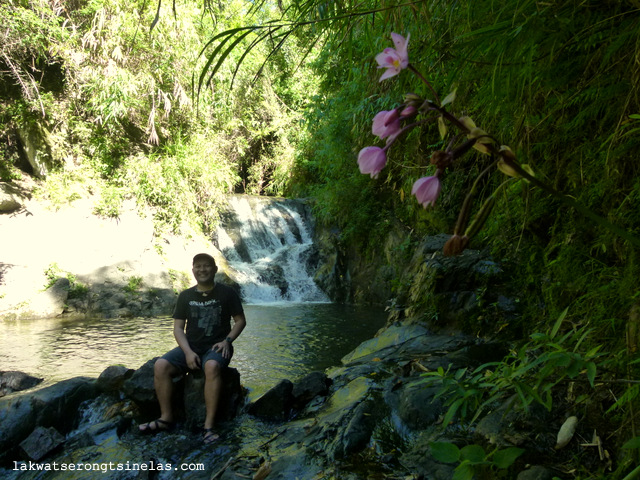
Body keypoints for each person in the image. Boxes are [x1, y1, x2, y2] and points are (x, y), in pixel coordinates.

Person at [139, 253, 246, 444]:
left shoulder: (227, 293)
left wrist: (227, 341)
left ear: (214, 269)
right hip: (192, 346)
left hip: (217, 346)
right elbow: (178, 329)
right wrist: (187, 352)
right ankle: (166, 418)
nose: (202, 270)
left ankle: (209, 426)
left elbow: (240, 321)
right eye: (198, 266)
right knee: (160, 366)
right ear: (193, 270)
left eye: (206, 266)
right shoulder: (186, 296)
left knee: (211, 367)